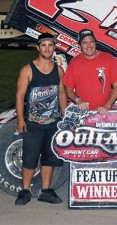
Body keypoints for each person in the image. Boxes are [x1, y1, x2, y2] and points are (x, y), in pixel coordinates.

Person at [15, 33, 68, 205]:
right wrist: (21, 120)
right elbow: (19, 95)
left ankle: (45, 190)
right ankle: (25, 191)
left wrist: (64, 115)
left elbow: (61, 93)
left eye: (50, 45)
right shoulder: (28, 70)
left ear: (54, 48)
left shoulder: (58, 70)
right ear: (38, 48)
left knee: (49, 158)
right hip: (33, 123)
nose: (47, 48)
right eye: (43, 45)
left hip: (52, 123)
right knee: (30, 158)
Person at [63, 29, 117, 114]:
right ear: (79, 46)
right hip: (82, 113)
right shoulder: (74, 62)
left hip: (104, 112)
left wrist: (107, 105)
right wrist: (78, 100)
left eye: (91, 41)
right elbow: (68, 90)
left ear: (95, 43)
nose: (89, 46)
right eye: (84, 43)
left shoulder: (109, 59)